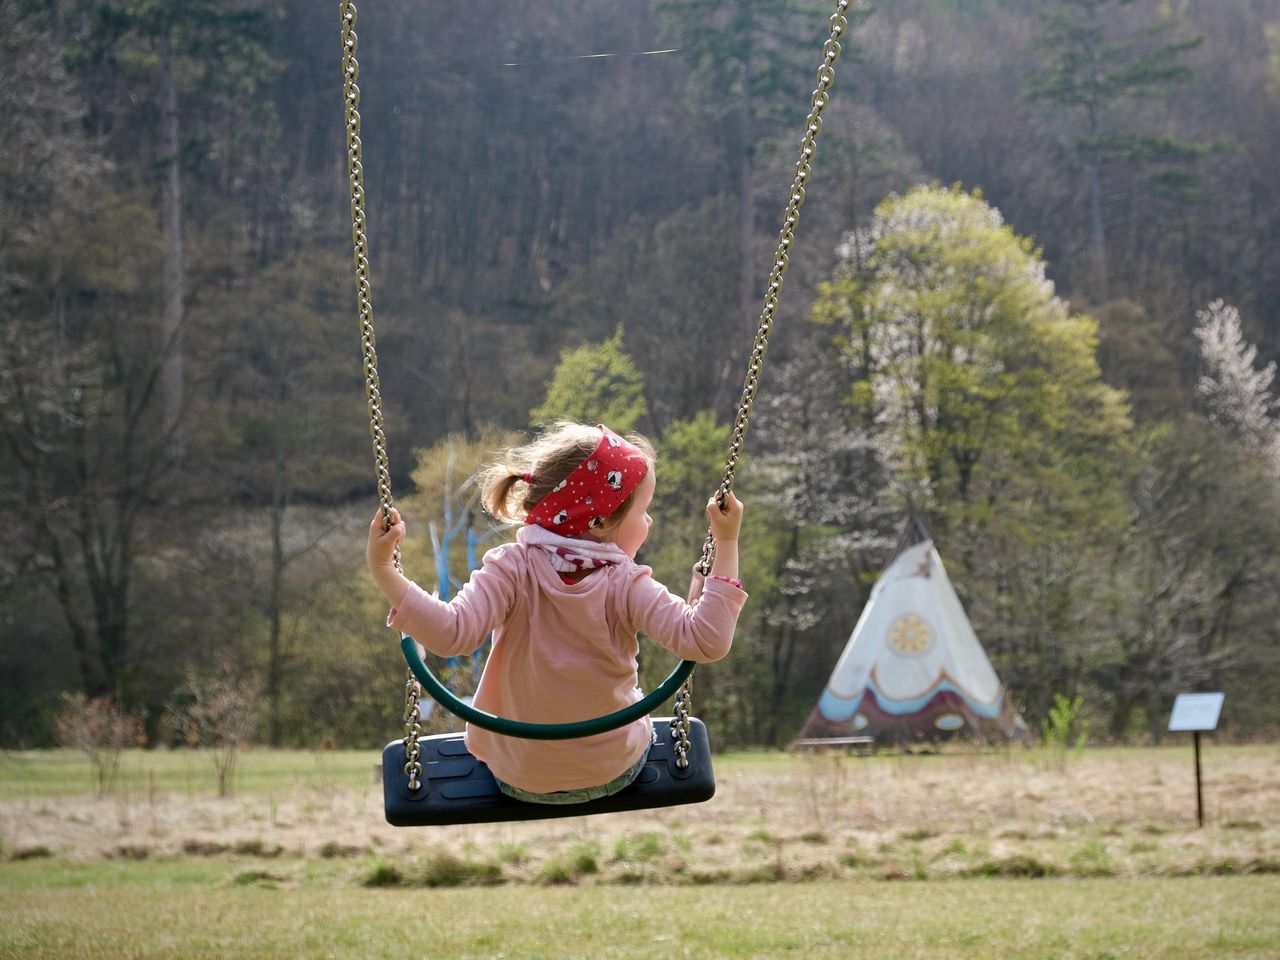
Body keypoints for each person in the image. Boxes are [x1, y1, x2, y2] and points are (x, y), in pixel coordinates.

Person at [366, 421, 746, 804]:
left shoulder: (510, 567)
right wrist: (727, 541)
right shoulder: (625, 583)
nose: (648, 522)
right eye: (642, 511)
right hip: (613, 769)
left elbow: (451, 633)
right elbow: (707, 640)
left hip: (517, 774)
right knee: (631, 711)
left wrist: (385, 570)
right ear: (600, 522)